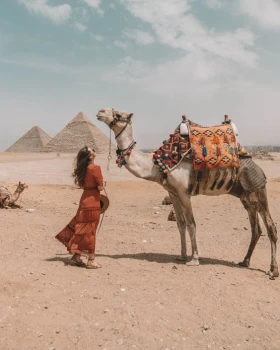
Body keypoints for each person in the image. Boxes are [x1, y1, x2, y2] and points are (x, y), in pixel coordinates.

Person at [55, 146, 106, 269]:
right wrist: (103, 184)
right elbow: (100, 187)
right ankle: (91, 260)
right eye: (92, 150)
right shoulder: (95, 168)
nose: (94, 150)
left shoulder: (82, 169)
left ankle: (77, 256)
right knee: (90, 231)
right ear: (90, 156)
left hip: (84, 200)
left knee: (82, 229)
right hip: (92, 202)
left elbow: (84, 185)